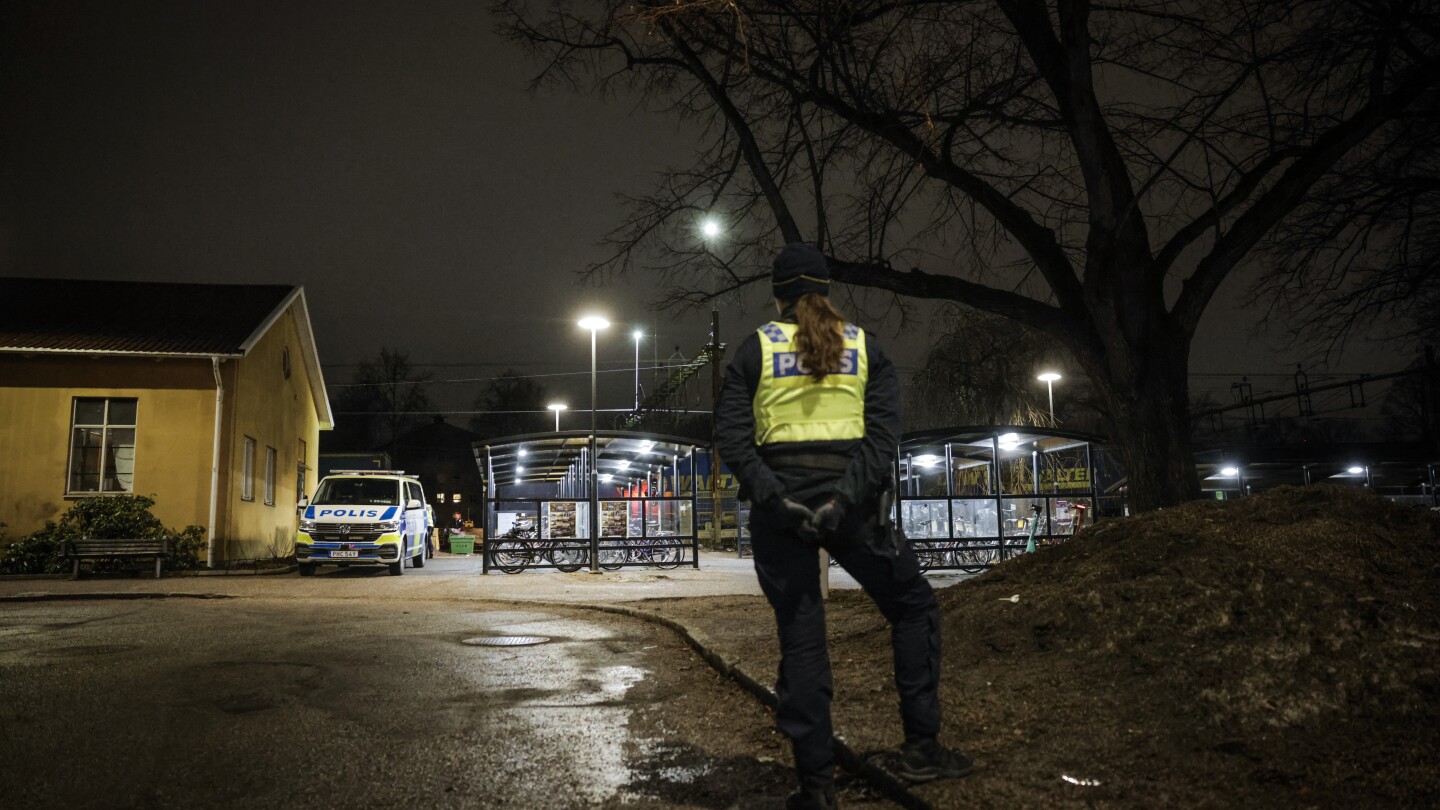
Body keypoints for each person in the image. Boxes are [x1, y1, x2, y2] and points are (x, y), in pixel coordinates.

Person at [715, 243, 972, 810]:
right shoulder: (865, 348)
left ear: (777, 294)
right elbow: (882, 441)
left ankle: (817, 789)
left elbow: (731, 438)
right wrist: (841, 500)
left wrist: (779, 500)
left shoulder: (755, 349)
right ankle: (922, 748)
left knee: (803, 637)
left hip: (782, 519)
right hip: (854, 513)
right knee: (913, 605)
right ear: (827, 290)